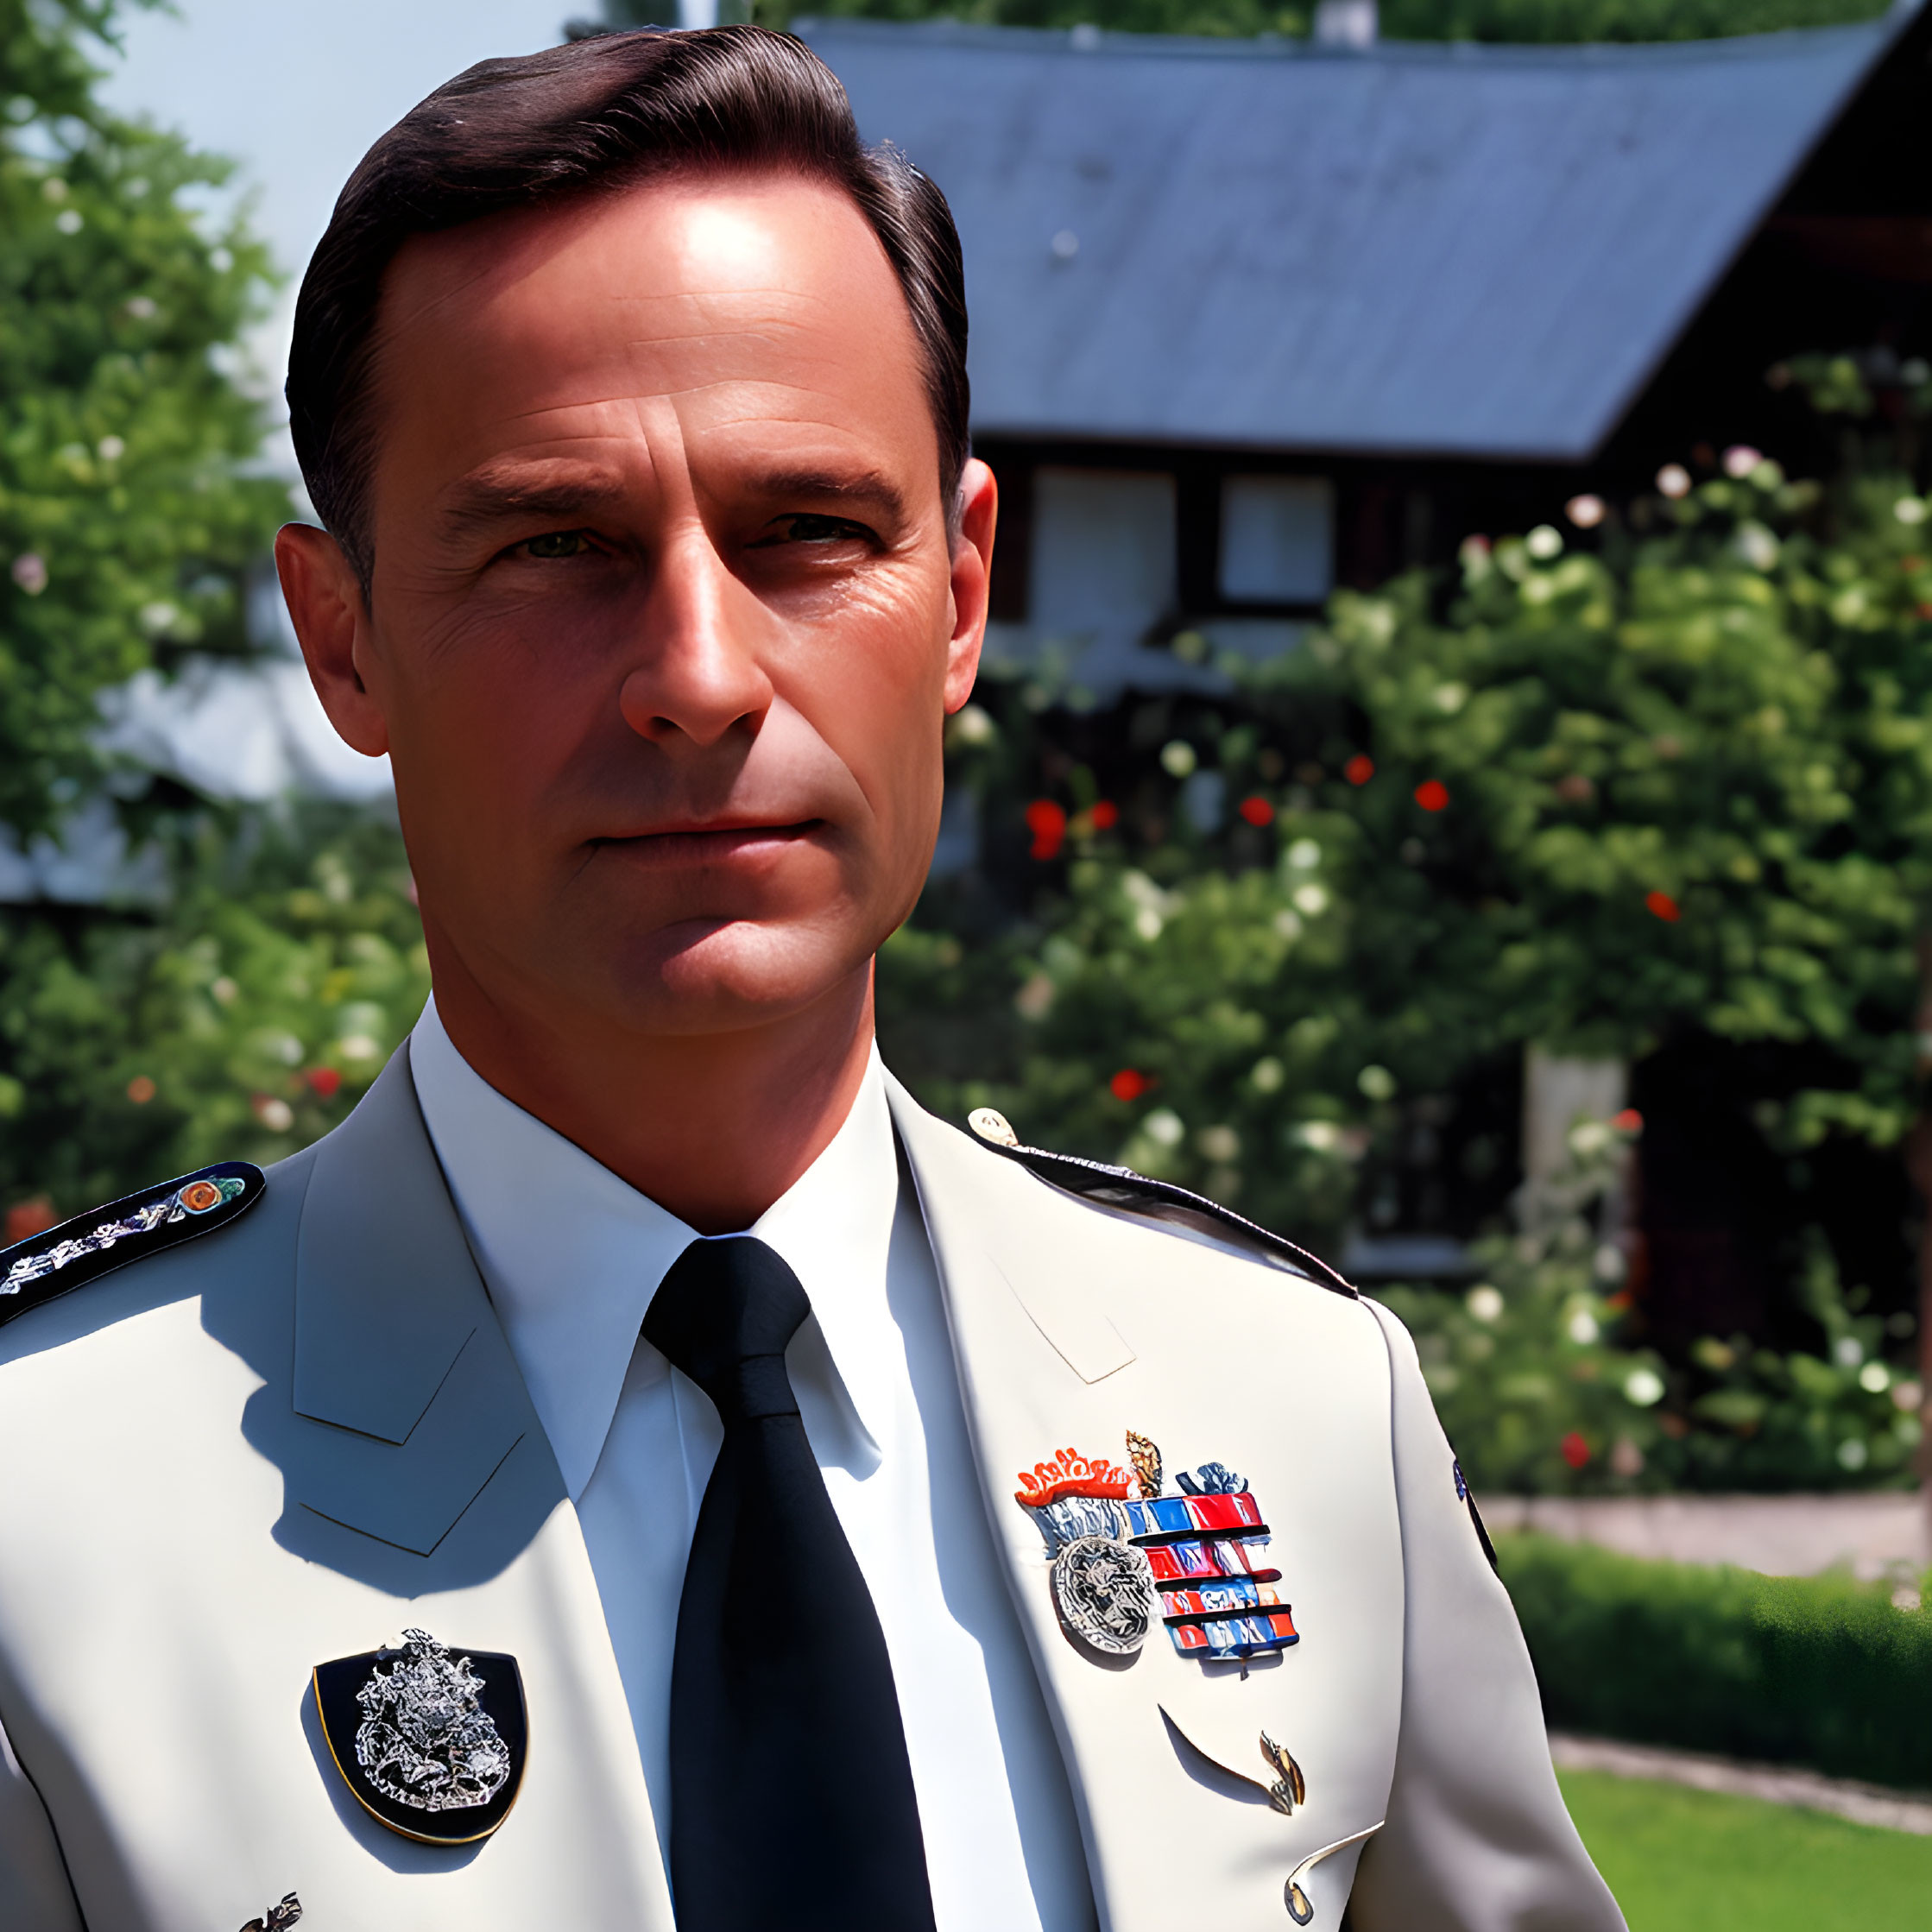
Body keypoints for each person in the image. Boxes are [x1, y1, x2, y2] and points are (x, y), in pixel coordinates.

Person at [0, 26, 1625, 1932]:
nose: (699, 671)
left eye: (812, 534)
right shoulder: (47, 1506)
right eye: (555, 544)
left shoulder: (1291, 1409)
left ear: (958, 593)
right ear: (341, 640)